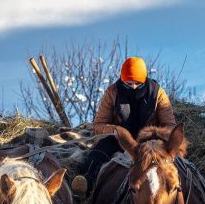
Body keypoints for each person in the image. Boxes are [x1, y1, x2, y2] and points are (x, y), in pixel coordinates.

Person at [71, 56, 177, 195]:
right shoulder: (112, 92)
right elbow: (98, 125)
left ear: (144, 79)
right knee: (98, 152)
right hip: (119, 138)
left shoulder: (158, 94)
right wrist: (115, 130)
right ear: (122, 79)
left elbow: (169, 125)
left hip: (149, 139)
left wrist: (158, 138)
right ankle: (85, 186)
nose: (133, 87)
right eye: (128, 83)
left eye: (137, 83)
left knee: (170, 162)